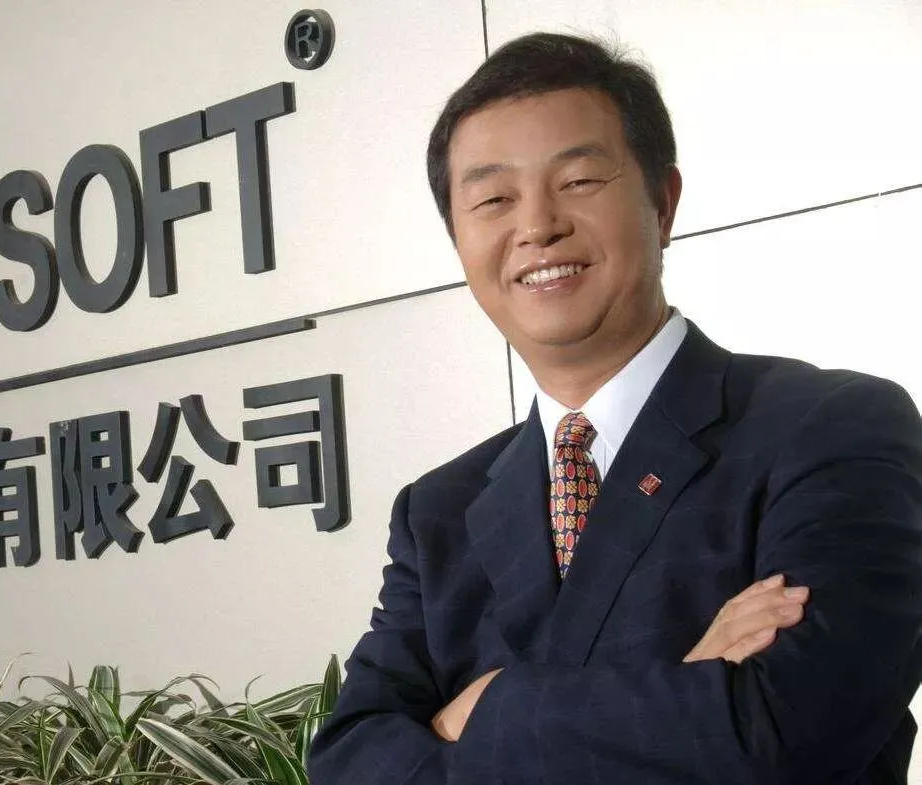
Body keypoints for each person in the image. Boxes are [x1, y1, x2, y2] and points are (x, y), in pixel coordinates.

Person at [308, 32, 922, 784]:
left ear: (662, 203)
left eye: (578, 180)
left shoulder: (832, 427)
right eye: (493, 199)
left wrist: (478, 710)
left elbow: (784, 732)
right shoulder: (438, 510)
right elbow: (347, 762)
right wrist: (684, 687)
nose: (537, 226)